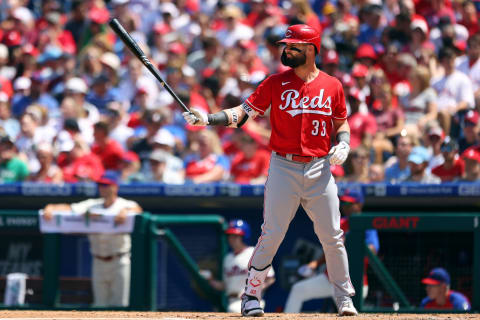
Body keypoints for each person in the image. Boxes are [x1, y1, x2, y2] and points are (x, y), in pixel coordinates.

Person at [184, 24, 358, 316]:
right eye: (285, 45)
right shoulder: (276, 83)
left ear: (312, 48)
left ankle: (344, 298)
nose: (286, 50)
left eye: (293, 46)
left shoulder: (332, 85)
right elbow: (242, 114)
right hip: (283, 165)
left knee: (333, 235)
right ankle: (251, 295)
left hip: (319, 168)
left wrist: (344, 144)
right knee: (272, 233)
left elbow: (341, 121)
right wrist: (208, 119)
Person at [42, 171, 143, 307]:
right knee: (99, 305)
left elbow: (138, 210)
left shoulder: (124, 205)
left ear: (115, 187)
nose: (103, 188)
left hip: (120, 261)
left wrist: (127, 212)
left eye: (106, 185)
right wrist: (51, 207)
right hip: (98, 261)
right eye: (101, 185)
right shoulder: (92, 205)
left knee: (119, 305)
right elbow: (69, 208)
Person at [284, 189, 379, 313]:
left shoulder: (366, 225)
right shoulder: (340, 223)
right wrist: (316, 264)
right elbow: (330, 249)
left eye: (349, 204)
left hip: (354, 282)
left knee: (349, 313)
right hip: (329, 279)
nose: (345, 207)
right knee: (298, 290)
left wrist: (349, 243)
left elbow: (373, 250)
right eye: (343, 204)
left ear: (359, 205)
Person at [204, 220, 275, 313]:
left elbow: (270, 279)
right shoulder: (227, 258)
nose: (231, 239)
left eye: (236, 236)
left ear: (244, 236)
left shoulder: (253, 253)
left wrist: (251, 292)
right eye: (230, 236)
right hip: (231, 301)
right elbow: (225, 286)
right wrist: (210, 279)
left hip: (250, 302)